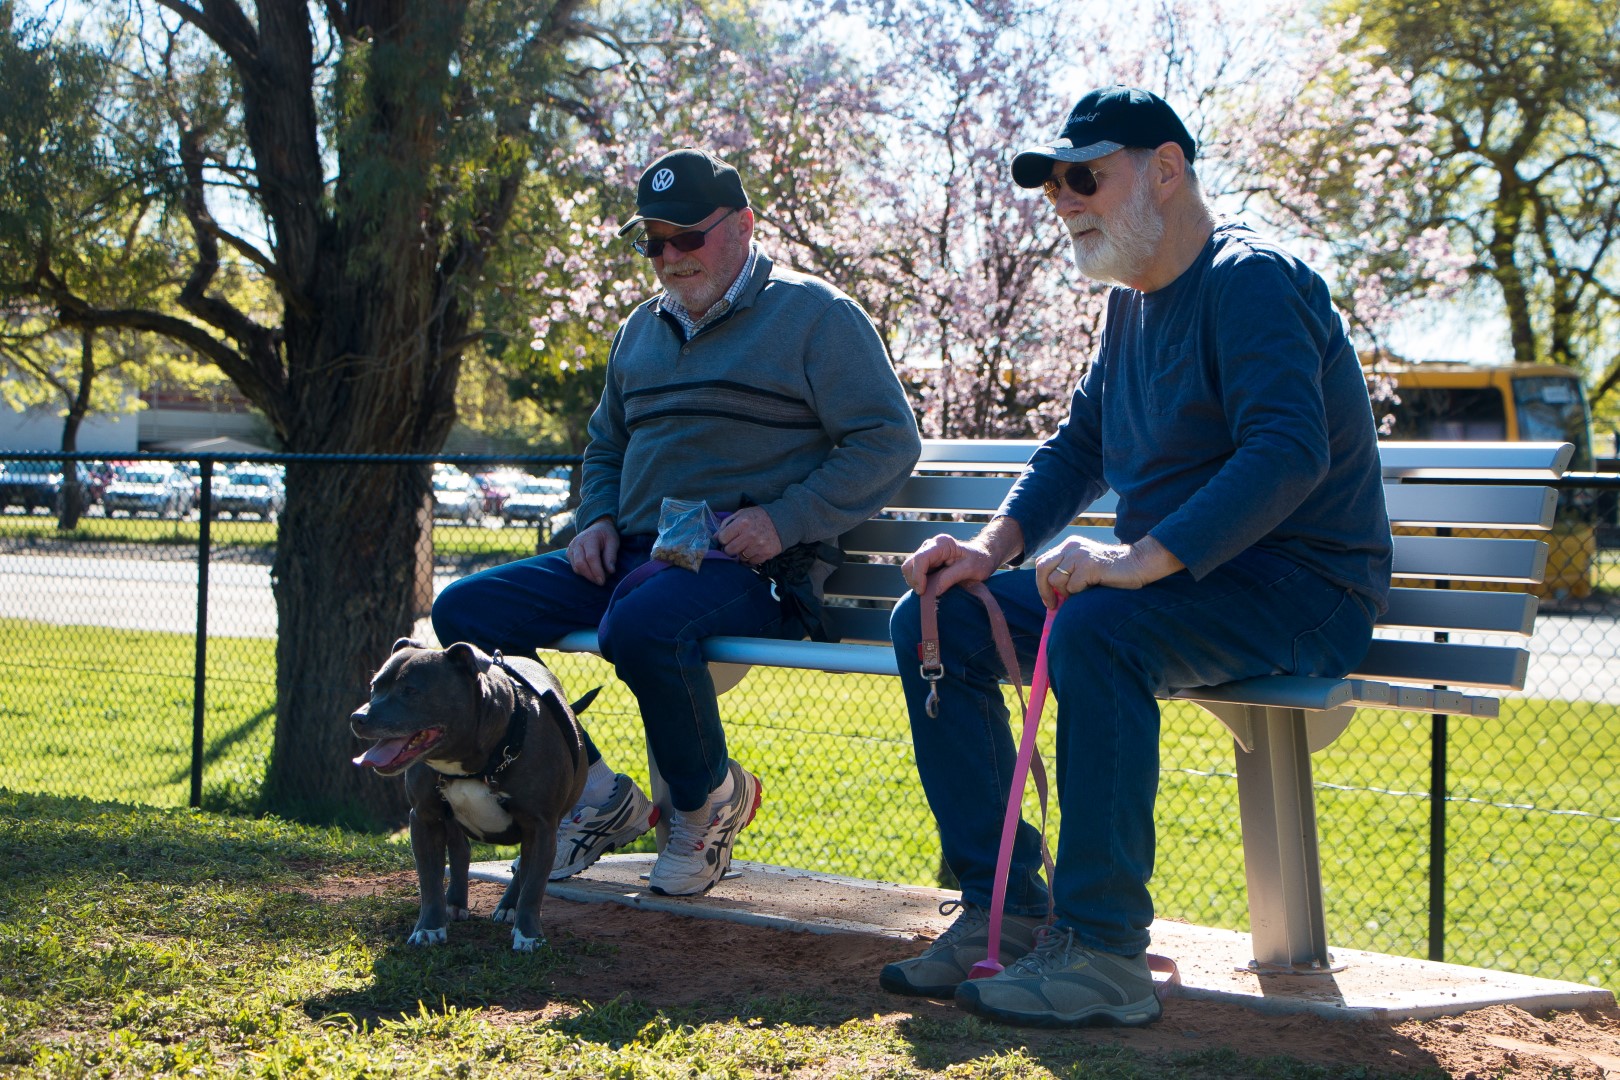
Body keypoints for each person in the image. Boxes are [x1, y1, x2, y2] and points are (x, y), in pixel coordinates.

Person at [878, 86, 1392, 1027]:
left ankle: (1106, 951)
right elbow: (1077, 448)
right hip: (1188, 581)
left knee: (1104, 629)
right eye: (1053, 186)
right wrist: (988, 550)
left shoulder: (1253, 280)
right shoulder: (1128, 308)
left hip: (1306, 589)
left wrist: (1141, 558)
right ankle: (1010, 911)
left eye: (1085, 176)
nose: (1064, 200)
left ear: (1166, 169)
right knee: (935, 613)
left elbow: (1288, 450)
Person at [433, 147, 921, 897]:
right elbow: (607, 445)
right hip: (631, 556)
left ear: (744, 226)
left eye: (687, 237)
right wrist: (594, 518)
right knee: (465, 612)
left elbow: (889, 440)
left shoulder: (815, 316)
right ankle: (593, 791)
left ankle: (704, 804)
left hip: (749, 569)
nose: (669, 257)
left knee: (641, 624)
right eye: (651, 241)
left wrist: (784, 520)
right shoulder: (640, 329)